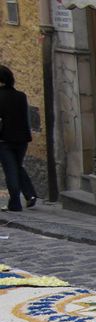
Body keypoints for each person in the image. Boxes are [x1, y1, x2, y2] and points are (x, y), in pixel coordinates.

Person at [0, 65, 38, 212]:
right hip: (22, 139)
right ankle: (30, 195)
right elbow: (26, 118)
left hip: (4, 140)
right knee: (16, 166)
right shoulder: (21, 96)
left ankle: (15, 203)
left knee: (11, 170)